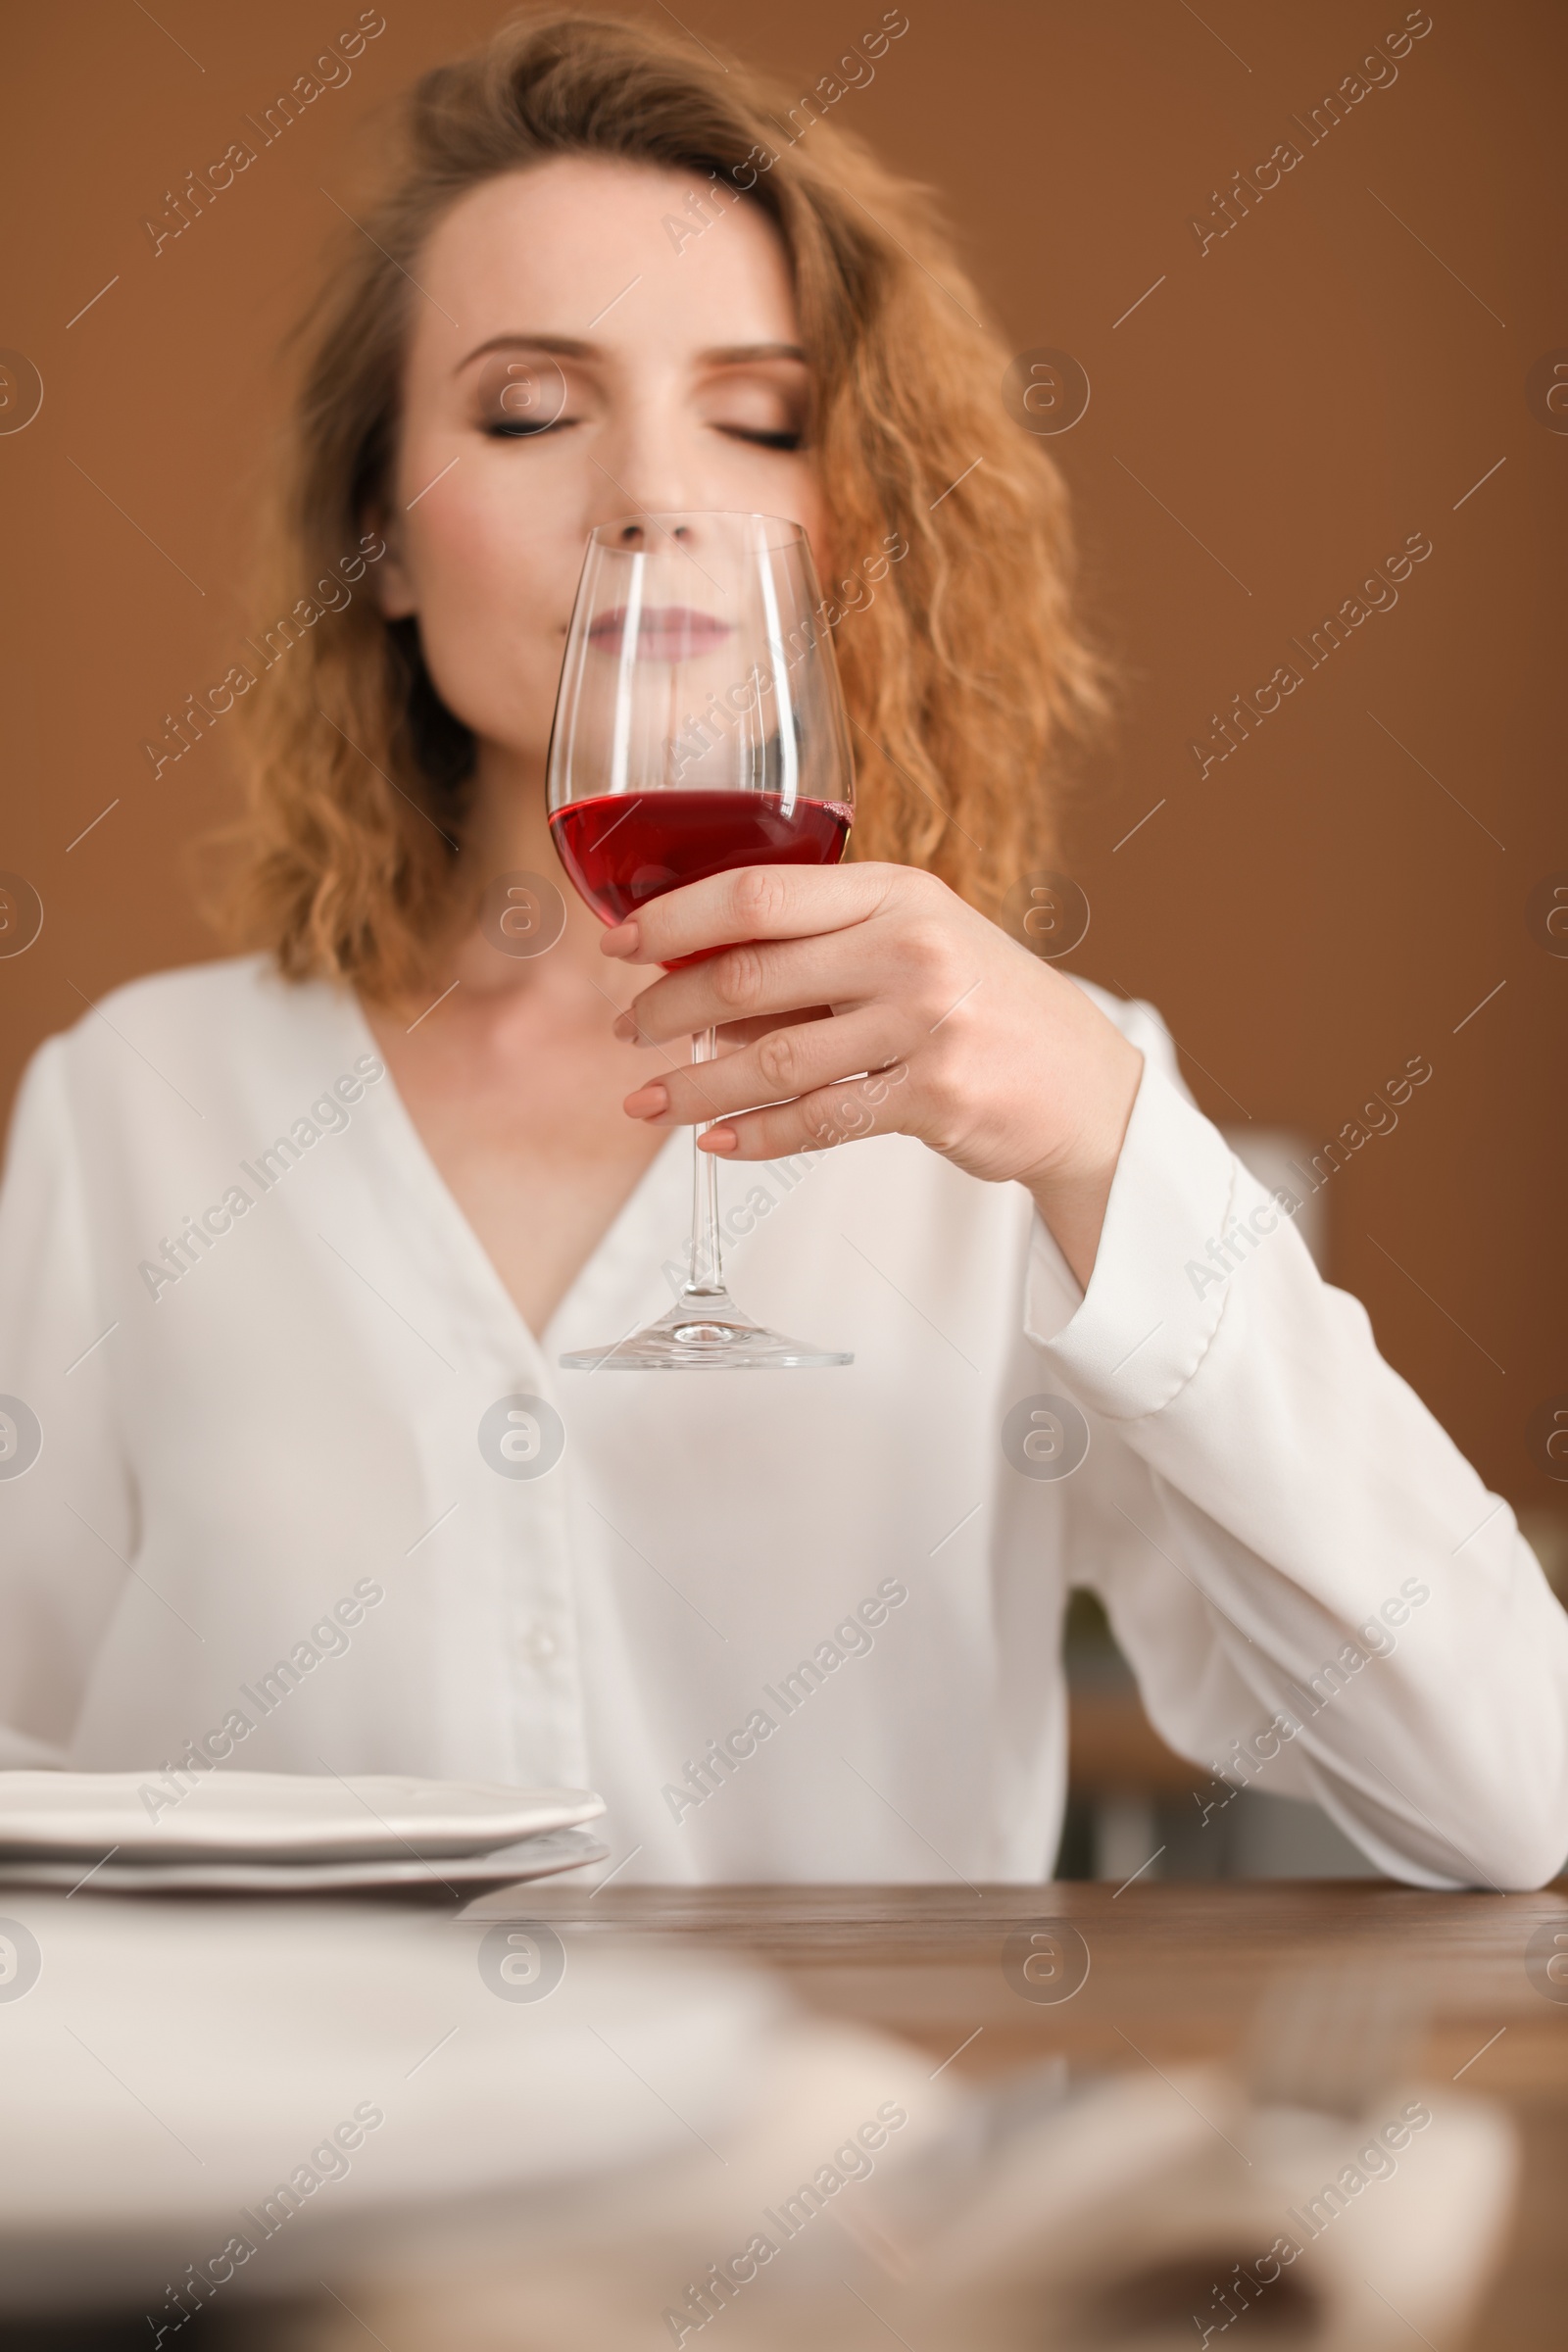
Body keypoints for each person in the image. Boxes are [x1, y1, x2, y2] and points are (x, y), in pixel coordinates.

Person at [1, 13, 1563, 1890]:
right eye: (528, 408)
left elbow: (1507, 1793)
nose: (657, 499)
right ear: (381, 542)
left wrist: (1106, 1142)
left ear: (845, 529)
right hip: (286, 2188)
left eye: (759, 417)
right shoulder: (135, 1106)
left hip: (866, 2188)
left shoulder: (1039, 1107)